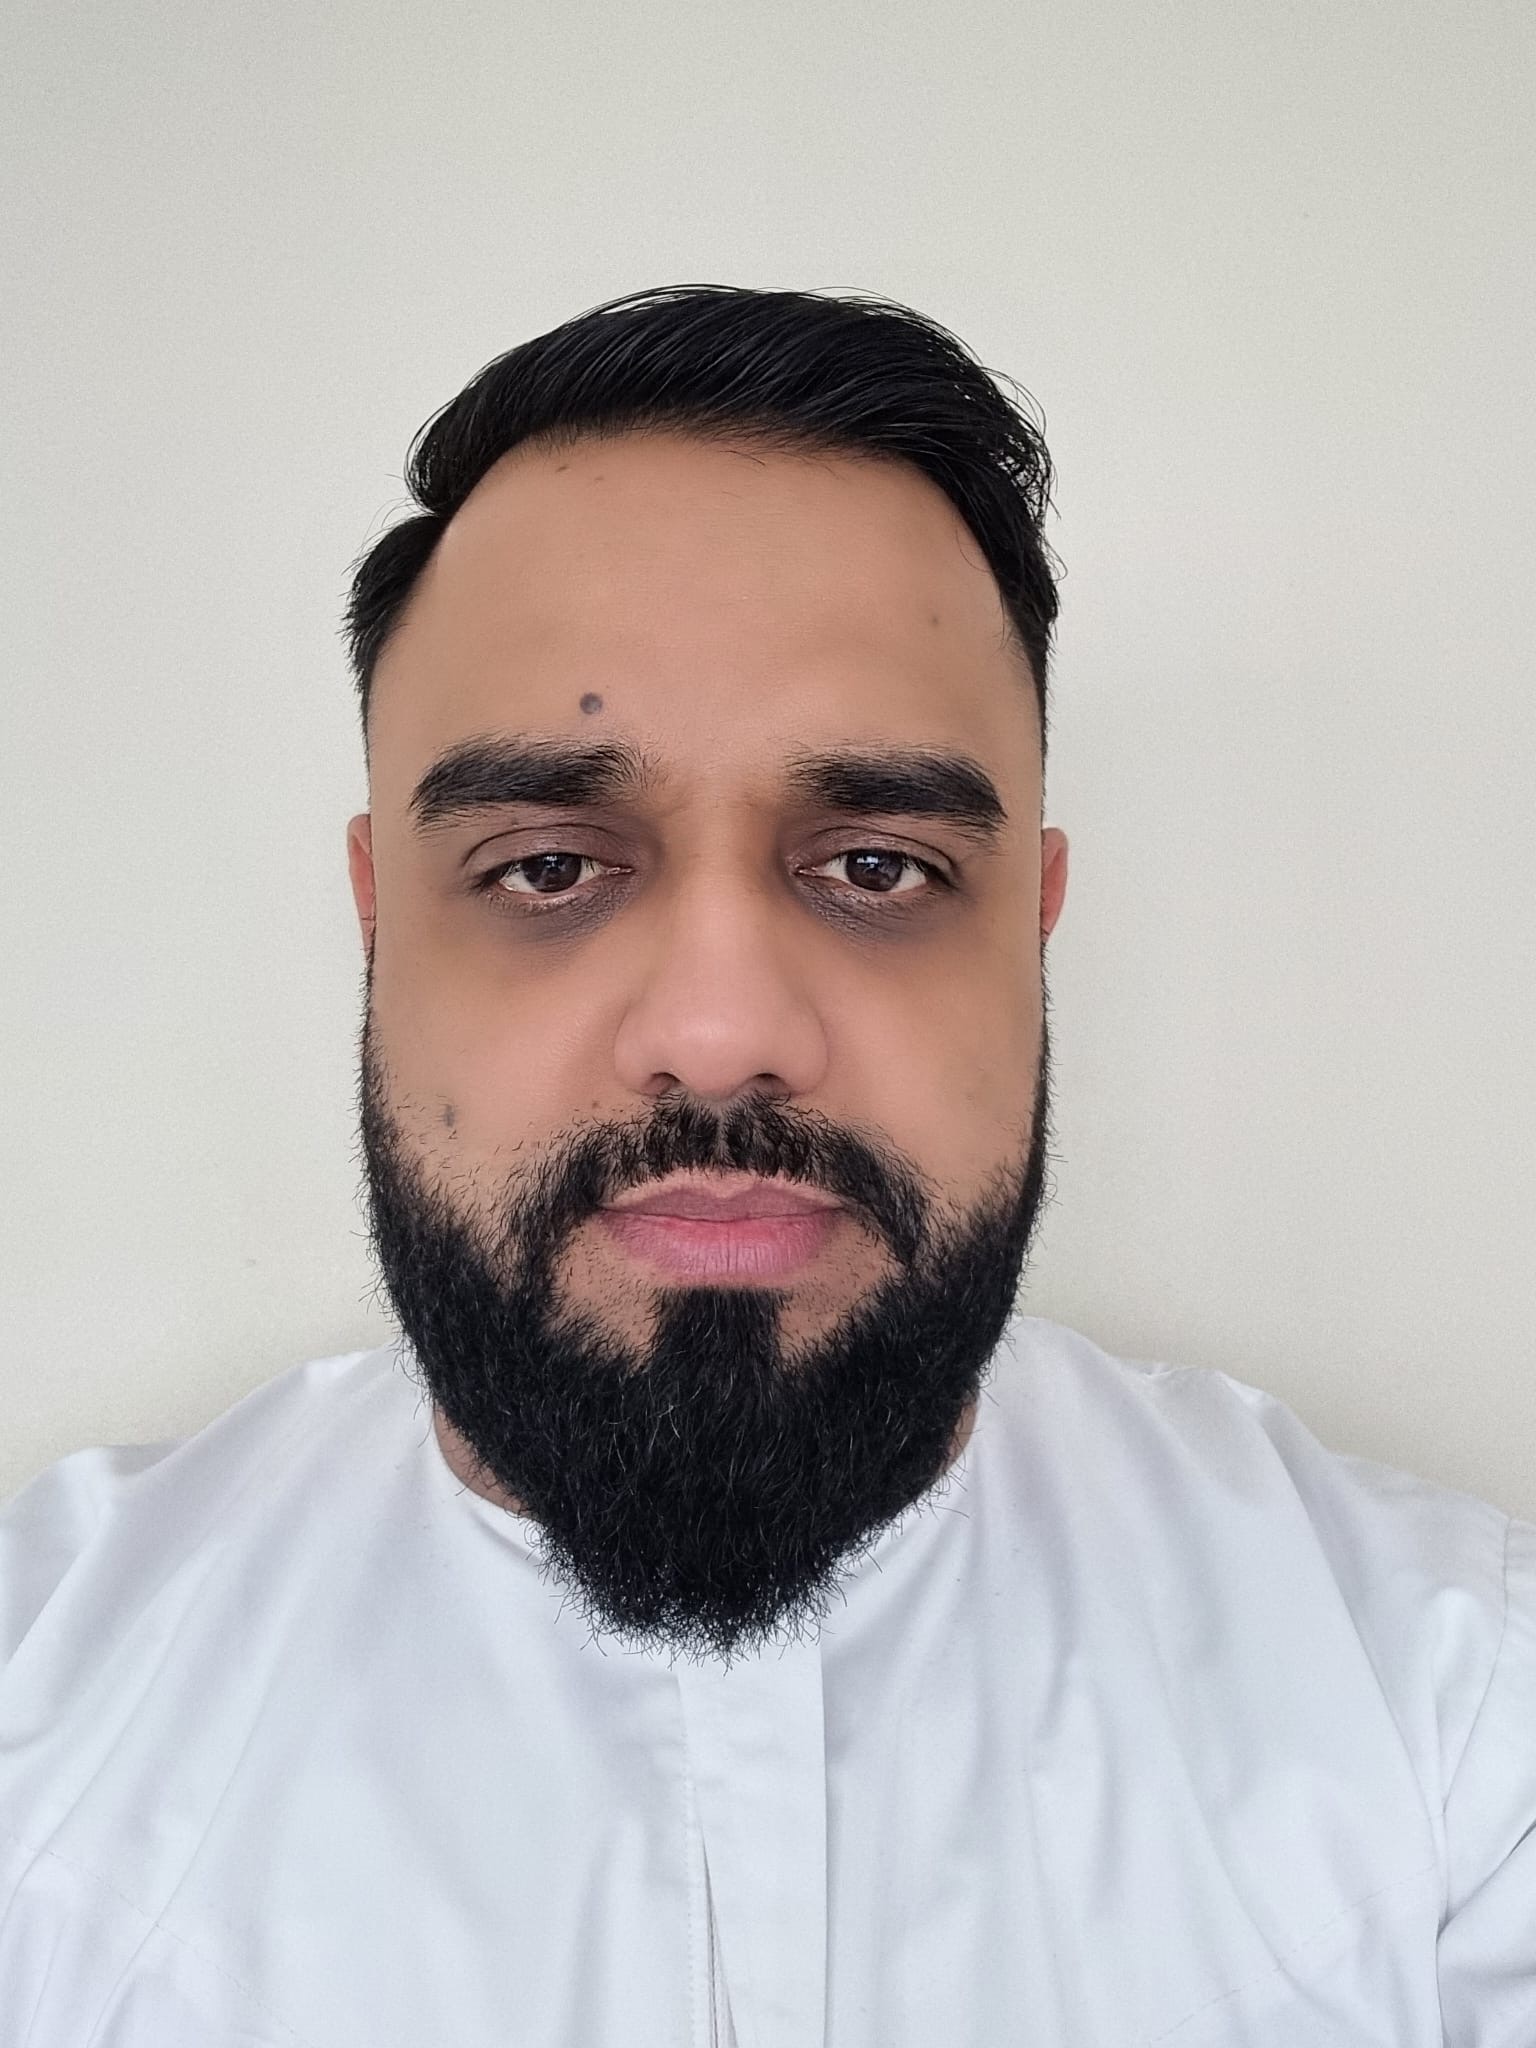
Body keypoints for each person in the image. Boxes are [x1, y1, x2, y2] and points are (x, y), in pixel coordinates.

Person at [0, 284, 1529, 2048]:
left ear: (1033, 924)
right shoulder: (43, 1718)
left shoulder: (1452, 1722)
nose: (721, 1034)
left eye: (879, 868)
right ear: (376, 916)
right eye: (547, 868)